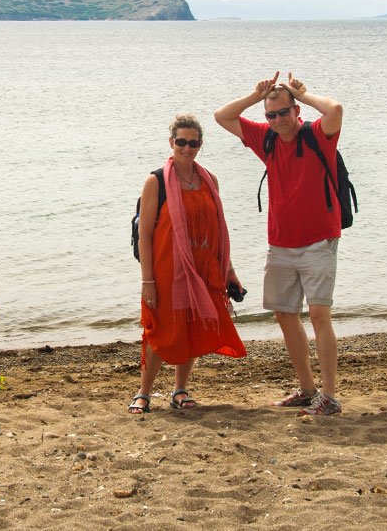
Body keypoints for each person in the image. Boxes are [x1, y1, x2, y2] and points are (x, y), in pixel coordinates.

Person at [213, 71, 344, 416]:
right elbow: (222, 116)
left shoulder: (317, 135)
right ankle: (306, 389)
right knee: (285, 314)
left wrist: (304, 94)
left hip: (319, 241)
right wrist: (256, 97)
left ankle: (328, 397)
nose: (276, 120)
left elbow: (335, 110)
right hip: (281, 244)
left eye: (283, 112)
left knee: (318, 313)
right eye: (270, 115)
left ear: (296, 112)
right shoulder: (265, 138)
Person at [129, 114, 247, 414]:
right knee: (160, 330)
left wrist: (229, 270)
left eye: (193, 143)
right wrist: (147, 281)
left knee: (191, 328)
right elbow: (144, 235)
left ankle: (180, 389)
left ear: (200, 145)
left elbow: (218, 231)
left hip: (204, 267)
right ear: (171, 142)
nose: (187, 148)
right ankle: (144, 393)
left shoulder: (210, 180)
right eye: (181, 142)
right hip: (167, 268)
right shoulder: (156, 181)